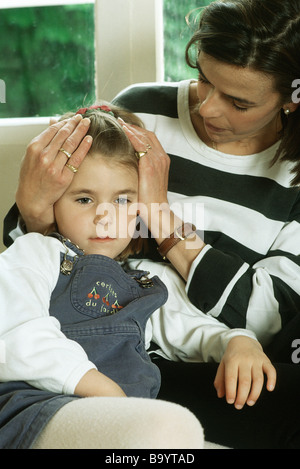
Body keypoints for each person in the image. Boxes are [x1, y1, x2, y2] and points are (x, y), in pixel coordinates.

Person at [3, 0, 300, 448]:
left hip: (209, 367)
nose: (208, 110)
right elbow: (40, 266)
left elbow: (271, 319)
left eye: (238, 102)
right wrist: (32, 209)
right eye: (204, 79)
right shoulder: (142, 110)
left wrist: (161, 218)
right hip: (76, 376)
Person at [0, 103, 206, 449]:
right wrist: (99, 387)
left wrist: (236, 343)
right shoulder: (36, 253)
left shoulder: (148, 279)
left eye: (123, 201)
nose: (104, 216)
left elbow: (193, 329)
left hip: (120, 420)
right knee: (172, 427)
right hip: (35, 410)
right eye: (83, 199)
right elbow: (15, 331)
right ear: (53, 202)